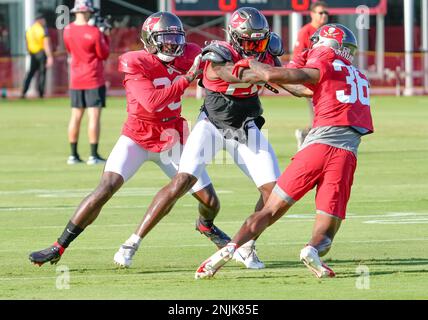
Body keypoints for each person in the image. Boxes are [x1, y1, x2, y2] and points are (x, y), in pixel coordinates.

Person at [28, 12, 216, 267]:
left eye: (176, 38)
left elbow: (217, 67)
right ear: (150, 41)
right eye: (166, 39)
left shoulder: (189, 54)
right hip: (138, 138)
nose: (173, 44)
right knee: (105, 188)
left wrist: (220, 56)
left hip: (172, 138)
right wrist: (188, 78)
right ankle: (59, 245)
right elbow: (151, 103)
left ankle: (205, 226)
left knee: (210, 201)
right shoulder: (135, 62)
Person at [195, 24, 374, 279]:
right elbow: (306, 88)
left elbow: (272, 75)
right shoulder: (360, 76)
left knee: (269, 210)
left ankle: (228, 249)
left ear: (324, 45)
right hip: (345, 153)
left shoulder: (323, 61)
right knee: (328, 227)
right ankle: (312, 249)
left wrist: (249, 62)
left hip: (315, 148)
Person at [113, 7, 285, 270]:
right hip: (212, 126)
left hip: (246, 128)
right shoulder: (221, 52)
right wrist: (267, 73)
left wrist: (307, 81)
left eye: (259, 40)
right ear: (236, 37)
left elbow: (289, 81)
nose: (254, 46)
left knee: (274, 192)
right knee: (182, 180)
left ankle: (247, 245)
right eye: (249, 40)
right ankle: (131, 242)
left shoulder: (267, 54)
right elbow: (232, 74)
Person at [64, 0, 110, 165]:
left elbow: (70, 50)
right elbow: (103, 54)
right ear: (88, 11)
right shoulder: (95, 32)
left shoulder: (67, 30)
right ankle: (93, 155)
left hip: (75, 79)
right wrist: (105, 35)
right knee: (94, 116)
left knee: (75, 116)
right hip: (93, 78)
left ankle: (73, 155)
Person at [293, 1, 329, 149]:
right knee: (320, 115)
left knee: (323, 114)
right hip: (311, 78)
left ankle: (306, 136)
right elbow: (298, 56)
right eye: (321, 13)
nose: (324, 16)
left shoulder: (328, 31)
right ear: (312, 14)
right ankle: (312, 142)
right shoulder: (306, 31)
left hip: (326, 79)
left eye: (326, 13)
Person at [21, 14, 54, 99]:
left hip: (32, 54)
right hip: (41, 53)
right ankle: (41, 93)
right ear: (40, 20)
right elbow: (46, 44)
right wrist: (49, 56)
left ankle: (23, 92)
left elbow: (26, 42)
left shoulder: (29, 29)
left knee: (30, 74)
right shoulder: (42, 29)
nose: (44, 22)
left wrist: (30, 51)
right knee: (42, 73)